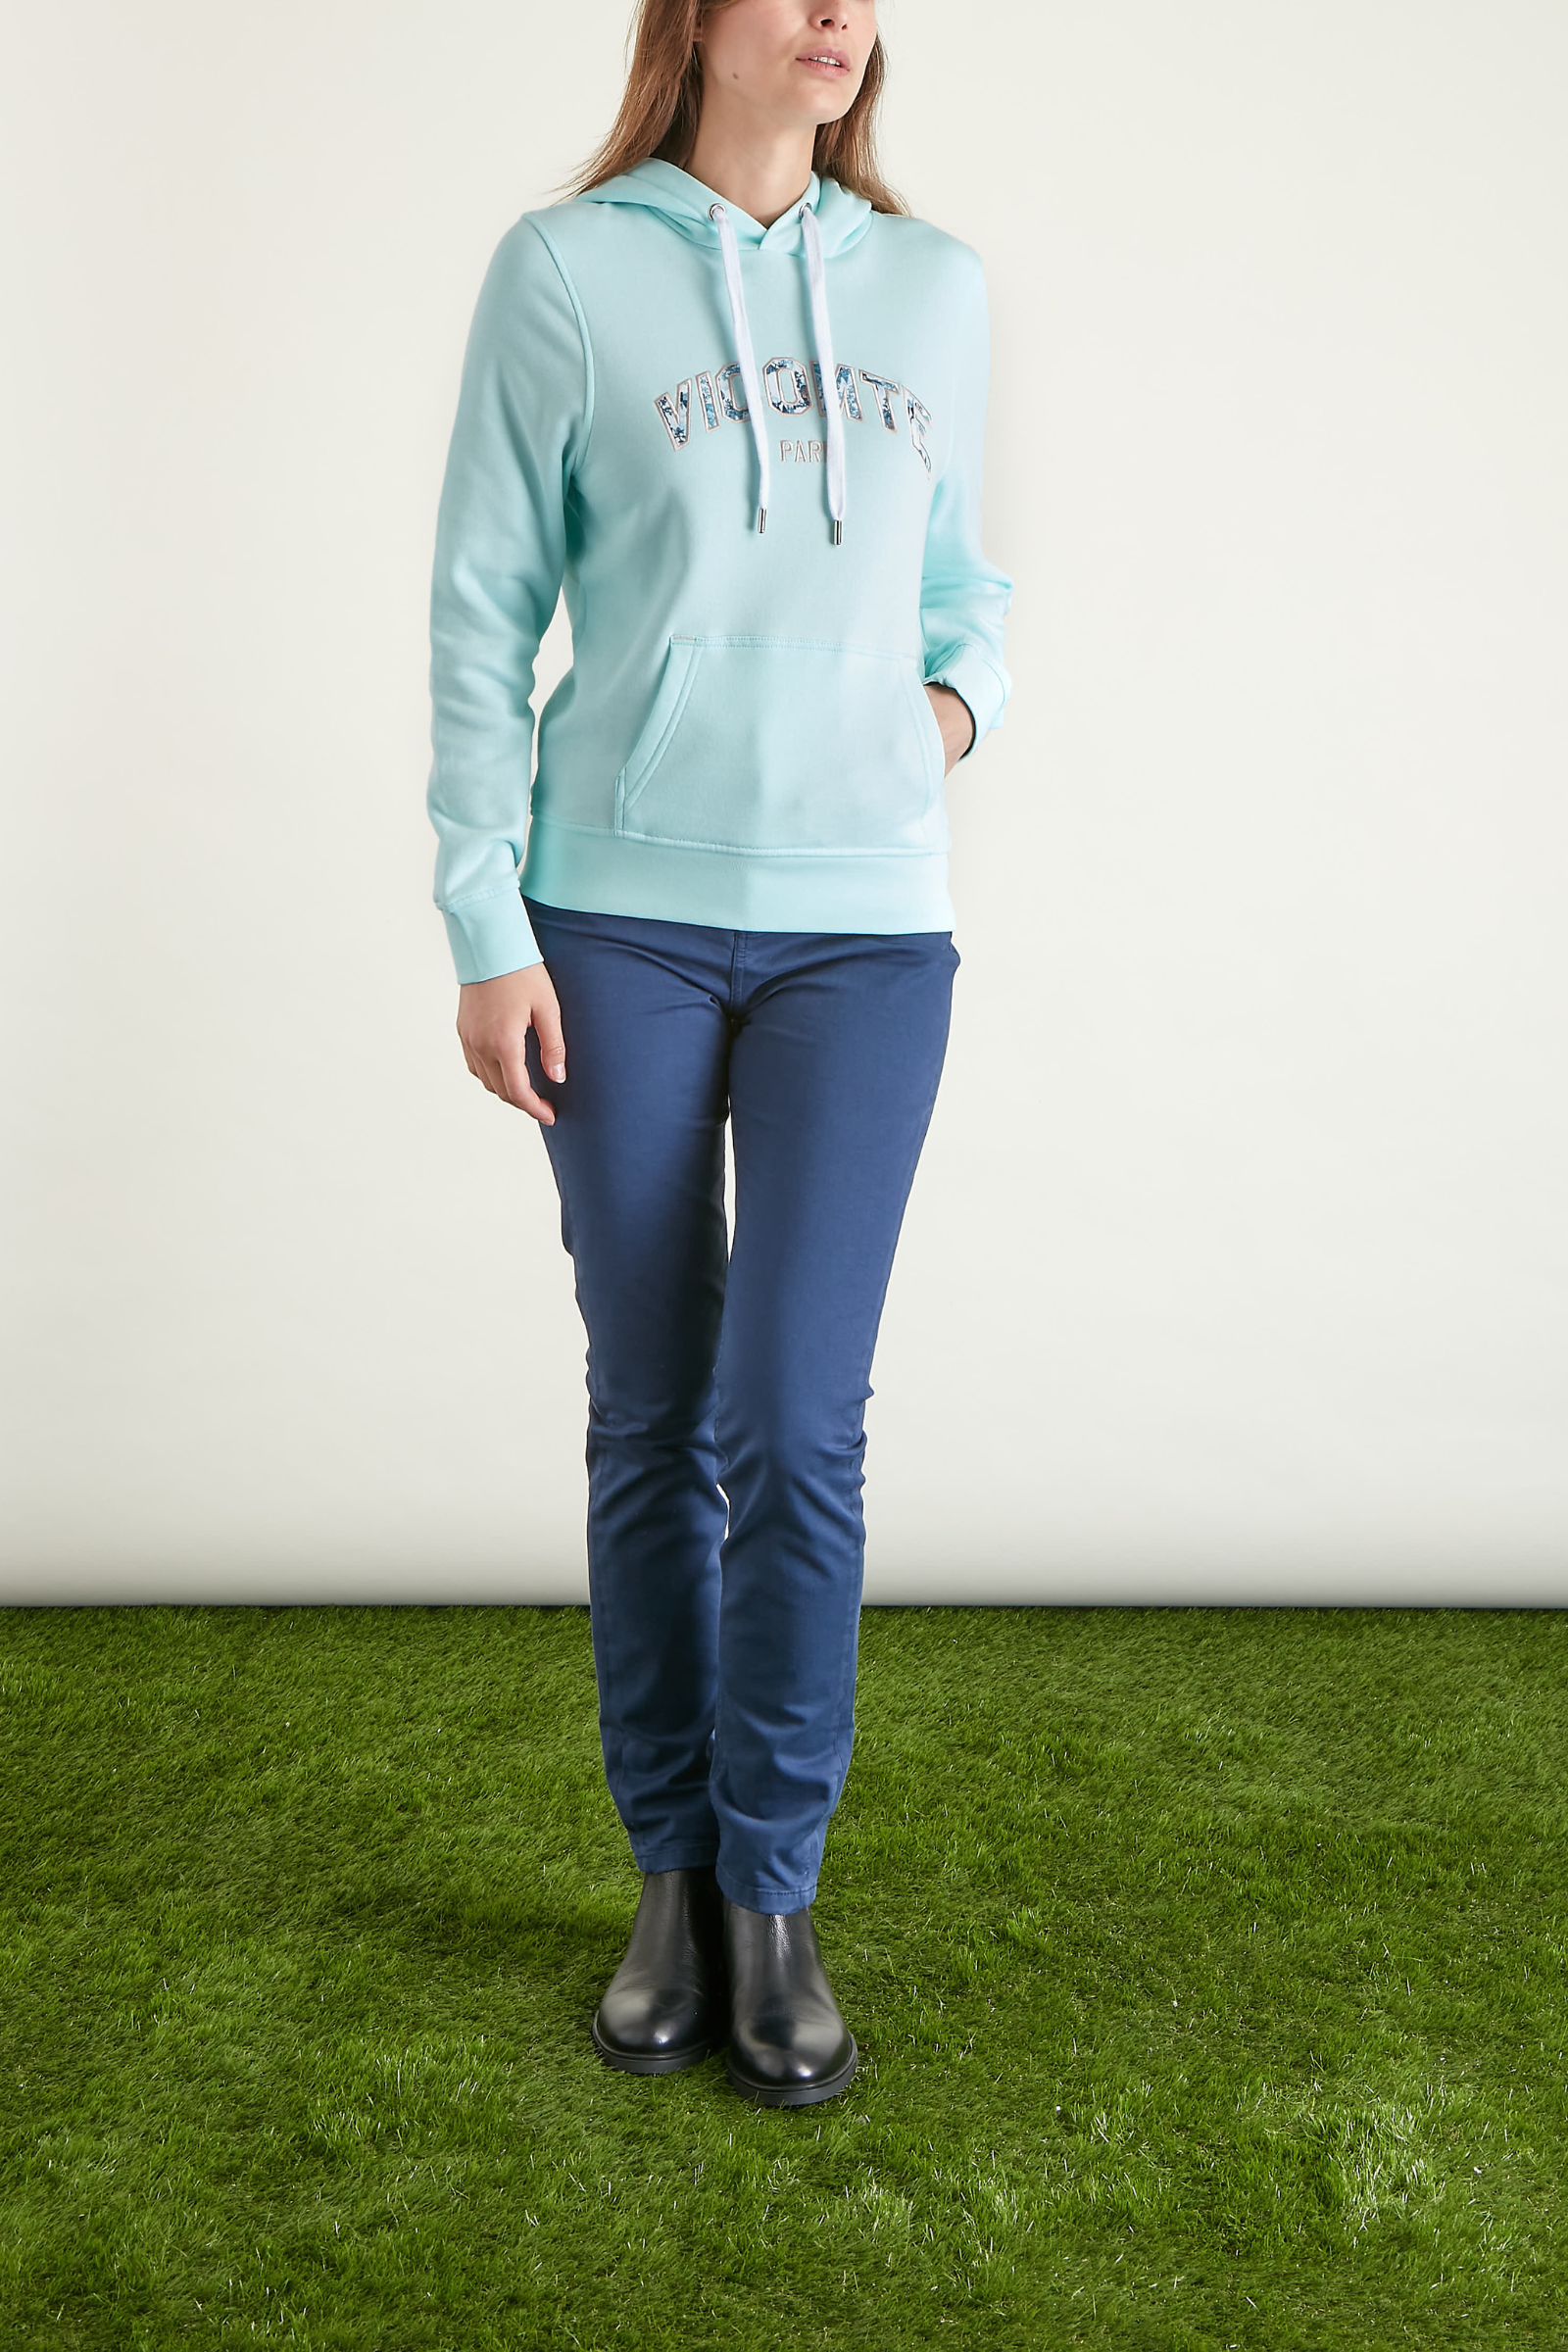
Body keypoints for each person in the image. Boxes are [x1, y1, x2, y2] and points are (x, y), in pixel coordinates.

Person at [427, 0, 1011, 2108]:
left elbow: (967, 583)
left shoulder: (932, 287)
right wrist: (484, 922)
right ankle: (667, 1881)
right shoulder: (564, 270)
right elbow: (481, 606)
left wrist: (942, 714)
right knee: (654, 1404)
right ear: (696, 18)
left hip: (866, 932)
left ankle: (774, 1891)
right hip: (618, 921)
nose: (839, 16)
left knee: (795, 1418)